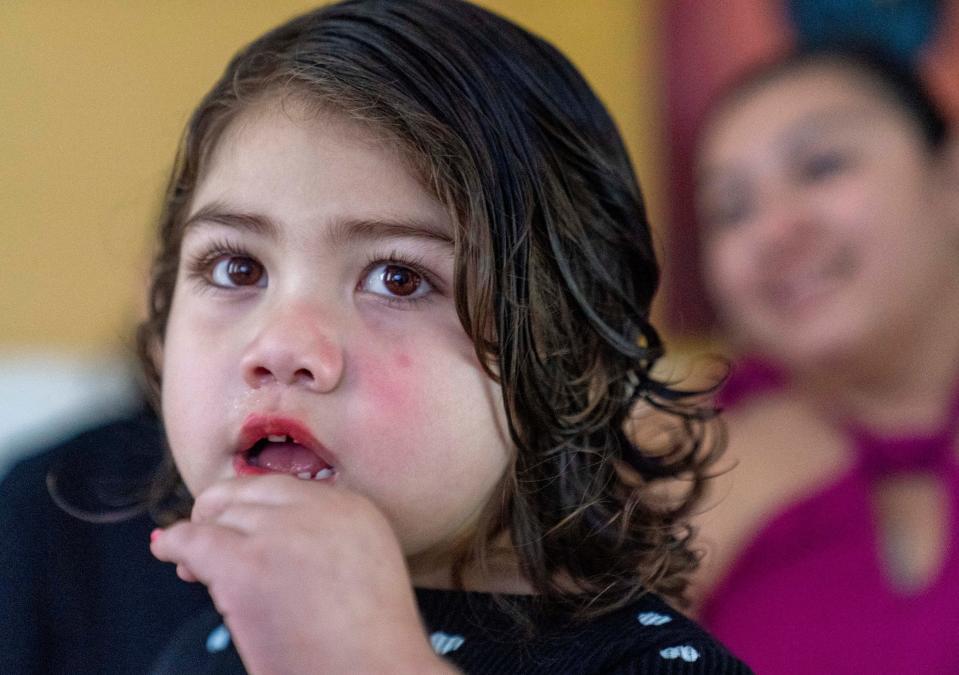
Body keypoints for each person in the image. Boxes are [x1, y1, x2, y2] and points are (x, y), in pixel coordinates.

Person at [2, 1, 750, 673]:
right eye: (236, 267)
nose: (281, 344)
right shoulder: (204, 652)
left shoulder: (656, 664)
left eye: (397, 277)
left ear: (571, 360)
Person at [691, 46, 959, 673]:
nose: (775, 231)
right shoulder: (662, 470)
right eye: (731, 209)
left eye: (821, 166)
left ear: (949, 177)